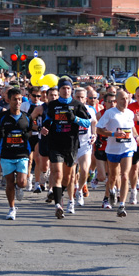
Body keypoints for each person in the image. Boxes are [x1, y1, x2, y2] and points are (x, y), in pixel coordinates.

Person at [41, 78, 91, 218]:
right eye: (63, 88)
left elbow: (87, 122)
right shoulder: (53, 105)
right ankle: (58, 205)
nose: (66, 90)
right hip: (55, 143)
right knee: (57, 173)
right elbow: (47, 120)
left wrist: (75, 119)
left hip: (71, 145)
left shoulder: (77, 105)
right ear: (59, 90)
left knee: (68, 178)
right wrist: (44, 128)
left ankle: (59, 192)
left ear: (71, 90)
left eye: (68, 88)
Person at [96, 89, 139, 217]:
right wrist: (112, 134)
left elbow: (132, 127)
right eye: (122, 99)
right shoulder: (110, 113)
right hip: (112, 149)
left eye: (127, 98)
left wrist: (137, 136)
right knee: (112, 176)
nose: (125, 101)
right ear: (116, 100)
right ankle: (110, 192)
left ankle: (122, 205)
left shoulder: (130, 113)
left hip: (127, 147)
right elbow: (99, 129)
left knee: (125, 175)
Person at [0, 88, 33, 220]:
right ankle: (11, 208)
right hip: (6, 153)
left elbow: (31, 130)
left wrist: (28, 135)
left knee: (22, 182)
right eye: (15, 99)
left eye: (20, 99)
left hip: (22, 153)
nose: (17, 102)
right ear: (8, 100)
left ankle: (20, 187)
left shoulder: (26, 116)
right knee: (9, 182)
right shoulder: (2, 116)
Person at [72, 87, 97, 207]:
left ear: (86, 99)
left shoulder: (90, 110)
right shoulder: (69, 109)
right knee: (72, 175)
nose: (80, 99)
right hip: (71, 146)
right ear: (74, 97)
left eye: (82, 97)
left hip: (85, 145)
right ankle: (75, 188)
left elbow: (93, 123)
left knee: (85, 170)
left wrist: (94, 134)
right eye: (78, 97)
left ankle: (80, 191)